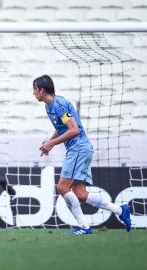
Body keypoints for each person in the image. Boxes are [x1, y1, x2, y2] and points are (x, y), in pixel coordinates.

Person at [33, 75, 131, 235]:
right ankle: (120, 210)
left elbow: (74, 130)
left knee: (62, 187)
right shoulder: (49, 106)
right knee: (80, 193)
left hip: (78, 149)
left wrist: (52, 143)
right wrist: (49, 142)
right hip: (79, 149)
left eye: (35, 89)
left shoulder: (59, 104)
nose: (33, 93)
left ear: (42, 90)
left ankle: (84, 227)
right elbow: (61, 127)